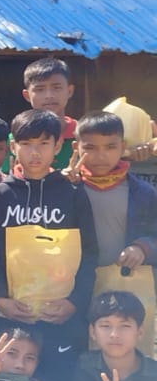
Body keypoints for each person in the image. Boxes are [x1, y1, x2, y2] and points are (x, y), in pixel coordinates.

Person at [0, 109, 97, 381]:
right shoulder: (0, 195)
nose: (35, 152)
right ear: (13, 147)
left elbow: (89, 253)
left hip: (60, 318)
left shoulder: (72, 193)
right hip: (11, 316)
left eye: (44, 144)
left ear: (58, 146)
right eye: (26, 144)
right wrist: (0, 299)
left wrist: (74, 303)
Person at [69, 111, 157, 282]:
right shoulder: (68, 189)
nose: (101, 156)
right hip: (74, 286)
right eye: (90, 148)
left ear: (123, 147)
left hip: (126, 285)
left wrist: (142, 248)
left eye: (110, 147)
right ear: (76, 147)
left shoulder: (143, 193)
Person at [21, 58, 78, 169]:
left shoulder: (84, 135)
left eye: (56, 88)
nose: (49, 95)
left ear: (69, 91)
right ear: (27, 95)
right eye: (40, 89)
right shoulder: (18, 138)